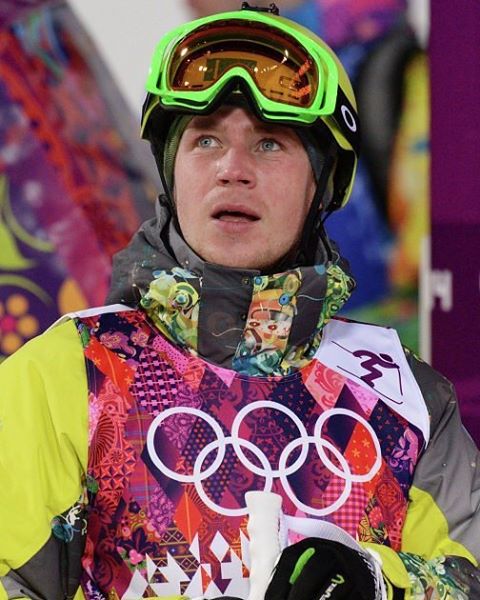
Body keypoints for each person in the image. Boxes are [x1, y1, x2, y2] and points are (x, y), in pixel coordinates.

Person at [1, 4, 479, 599]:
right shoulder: (67, 373)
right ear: (173, 173)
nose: (232, 169)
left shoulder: (408, 400)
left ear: (322, 184)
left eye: (270, 143)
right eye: (205, 139)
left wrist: (379, 584)